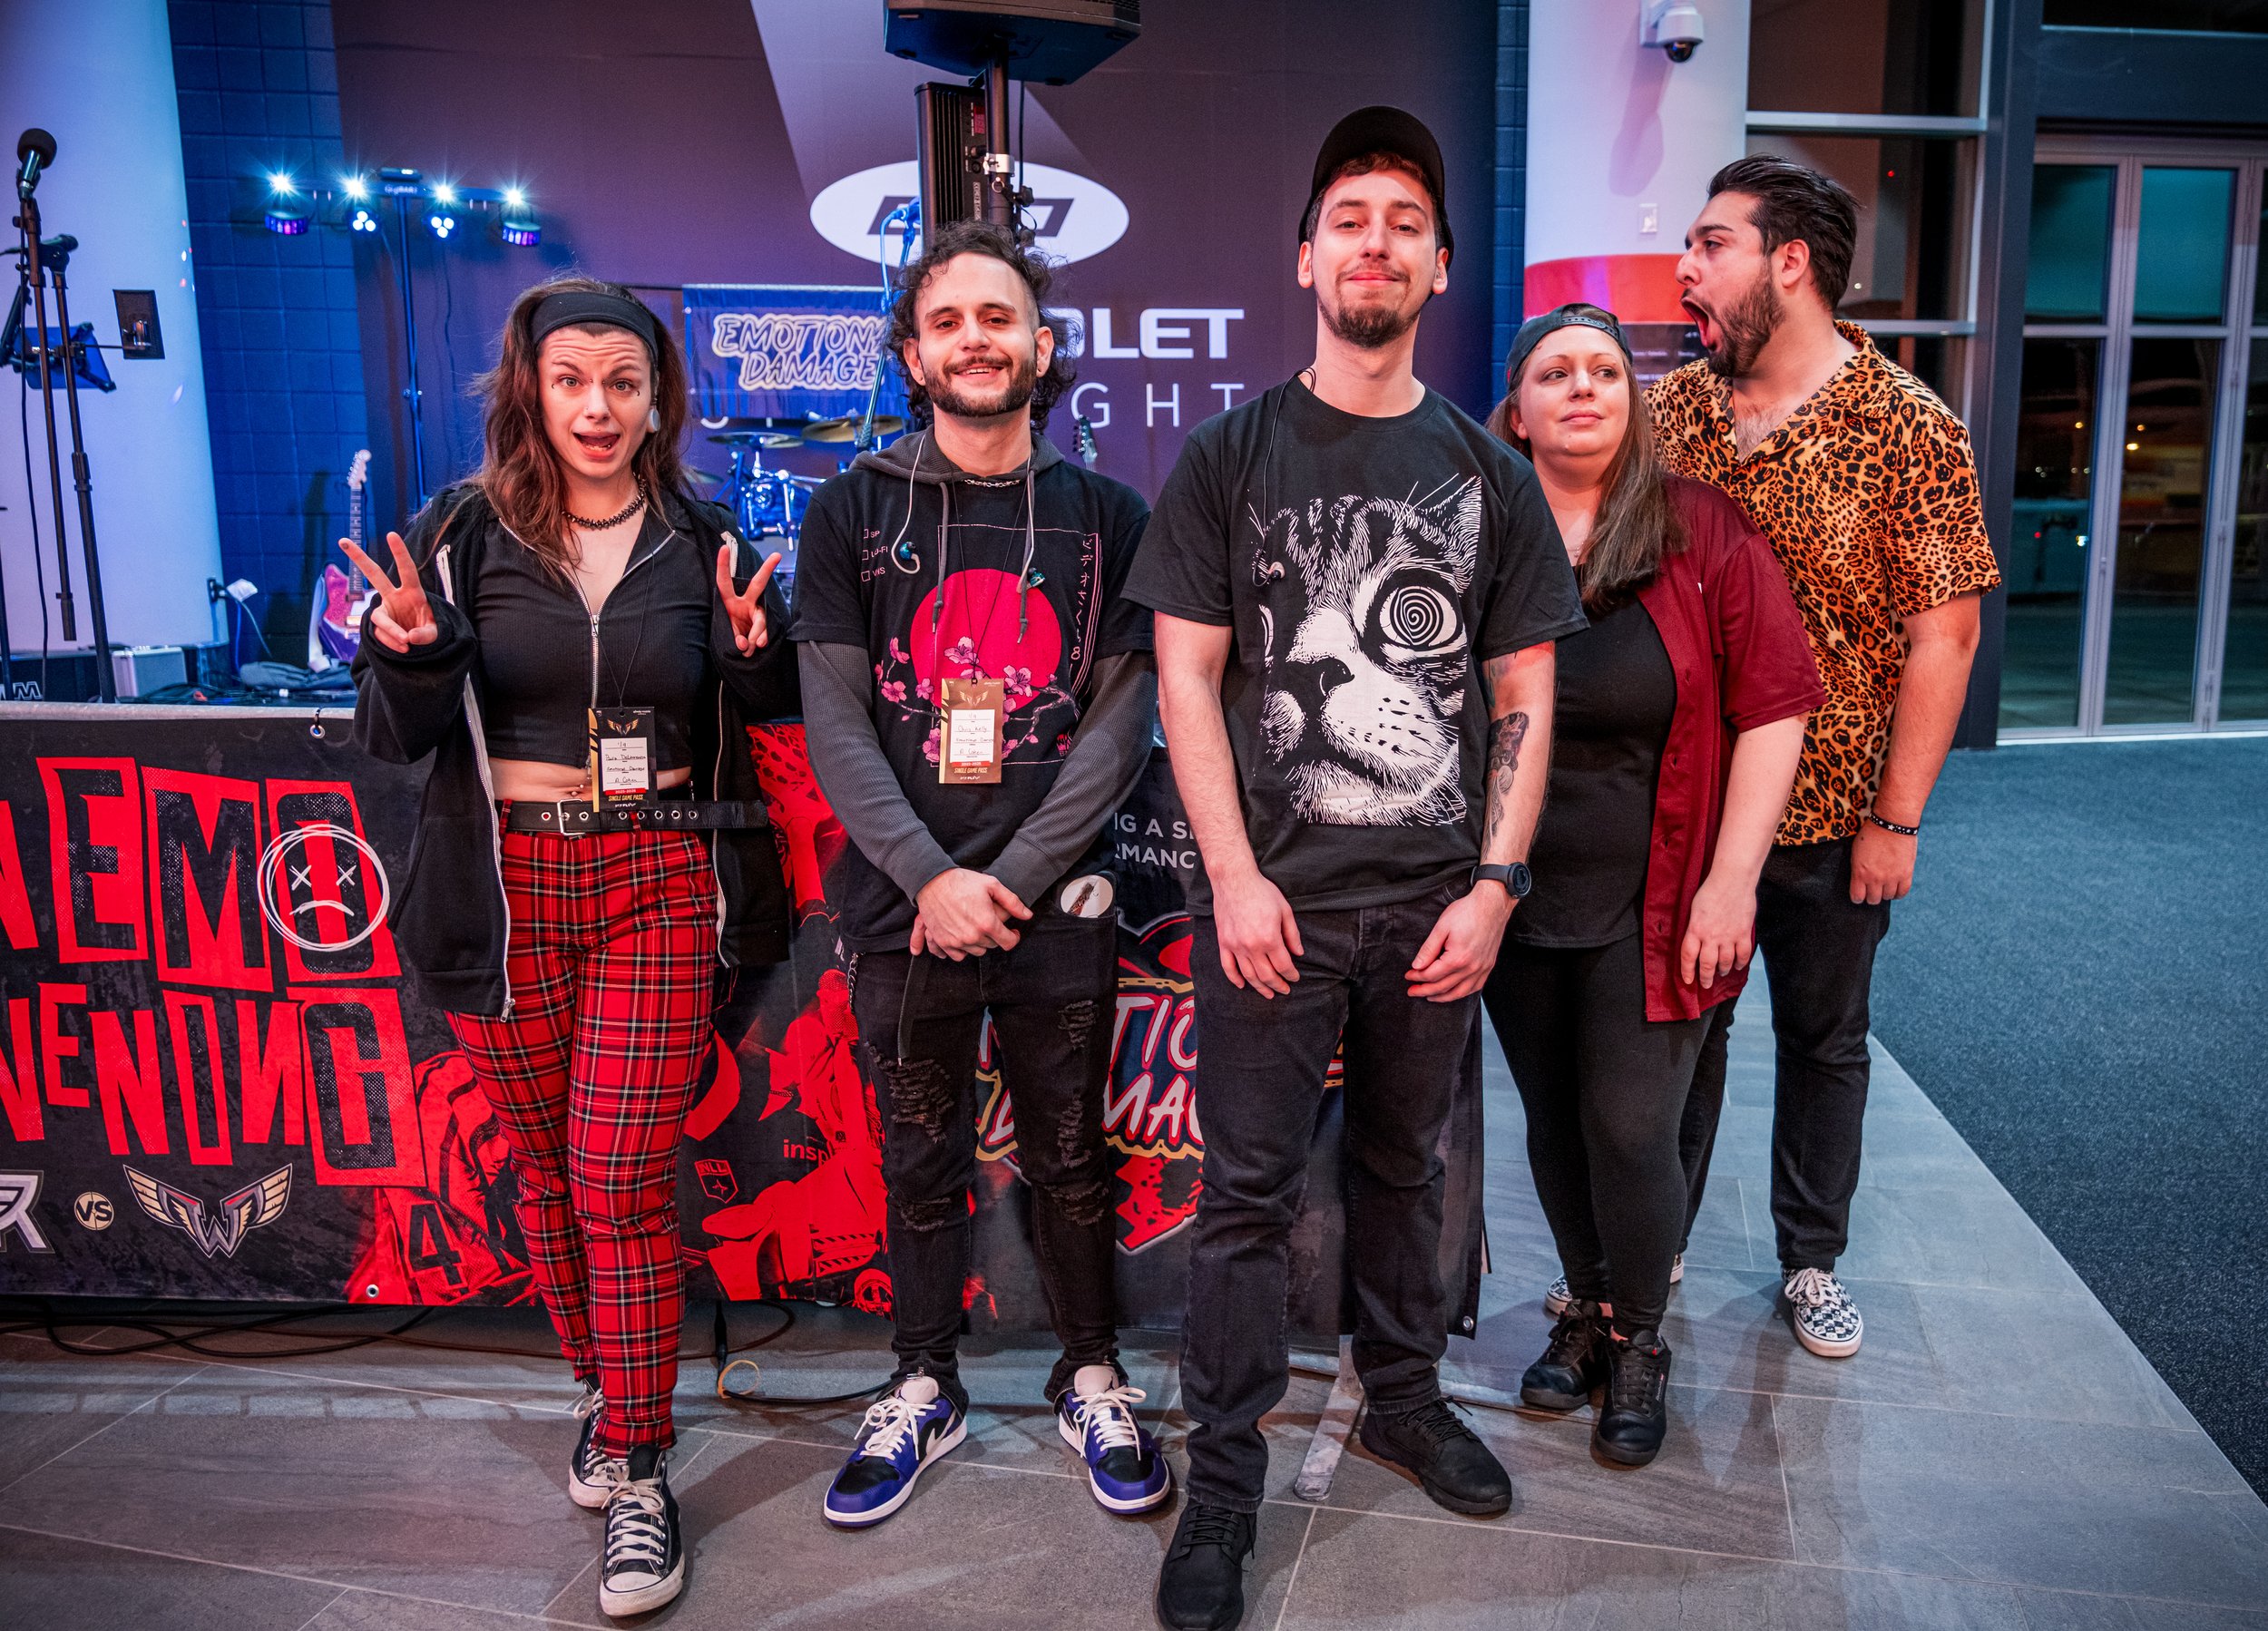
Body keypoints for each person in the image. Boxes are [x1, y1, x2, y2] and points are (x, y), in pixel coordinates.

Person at [1132, 107, 1585, 1630]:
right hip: (1271, 906)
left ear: (1440, 264)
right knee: (1246, 1200)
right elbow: (1188, 679)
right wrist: (1232, 878)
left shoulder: (1485, 470)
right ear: (1306, 253)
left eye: (1404, 218)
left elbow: (1522, 691)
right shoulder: (1229, 455)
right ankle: (1226, 1486)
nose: (1376, 239)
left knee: (1408, 1169)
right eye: (1351, 215)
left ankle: (1402, 1393)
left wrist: (1493, 884)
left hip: (1434, 901)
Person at [347, 276, 797, 1617]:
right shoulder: (462, 530)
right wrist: (411, 652)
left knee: (617, 1169)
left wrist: (757, 651)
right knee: (549, 1171)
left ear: (660, 396)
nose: (597, 406)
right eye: (571, 380)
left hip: (658, 871)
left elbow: (761, 700)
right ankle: (605, 1391)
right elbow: (394, 733)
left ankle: (645, 1469)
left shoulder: (701, 530)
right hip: (503, 887)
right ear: (530, 390)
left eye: (623, 380)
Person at [788, 220, 1170, 1528]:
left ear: (1043, 345)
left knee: (1073, 1150)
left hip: (1054, 904)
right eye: (948, 321)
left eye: (998, 317)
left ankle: (1093, 1371)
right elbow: (835, 722)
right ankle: (921, 1382)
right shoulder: (852, 510)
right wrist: (929, 875)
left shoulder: (1112, 519)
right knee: (916, 1154)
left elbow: (1121, 727)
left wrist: (1000, 873)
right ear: (913, 353)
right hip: (902, 907)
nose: (976, 340)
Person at [1649, 156, 2000, 1360]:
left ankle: (1810, 1261)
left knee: (1824, 1038)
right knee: (1680, 1037)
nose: (1684, 269)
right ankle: (1655, 1249)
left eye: (1711, 244)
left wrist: (1896, 820)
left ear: (1788, 262)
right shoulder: (1673, 415)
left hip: (1839, 812)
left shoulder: (1909, 427)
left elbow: (1944, 635)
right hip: (1686, 811)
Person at [1478, 304, 1821, 1466]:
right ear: (1515, 408)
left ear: (1633, 399)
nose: (1584, 388)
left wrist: (1734, 884)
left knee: (1629, 1124)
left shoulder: (1700, 530)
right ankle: (1583, 1309)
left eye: (1606, 372)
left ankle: (1639, 1337)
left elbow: (1776, 707)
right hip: (1509, 892)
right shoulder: (1473, 529)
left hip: (1661, 891)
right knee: (1553, 1123)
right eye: (1555, 372)